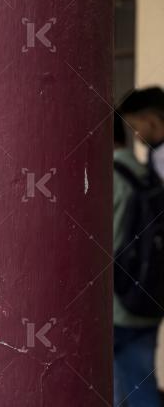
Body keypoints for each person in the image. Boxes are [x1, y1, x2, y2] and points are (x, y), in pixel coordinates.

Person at [117, 87, 164, 406]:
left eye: (136, 124)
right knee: (138, 376)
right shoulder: (146, 166)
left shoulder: (156, 161)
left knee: (127, 382)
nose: (135, 133)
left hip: (125, 296)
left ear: (151, 119)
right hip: (151, 287)